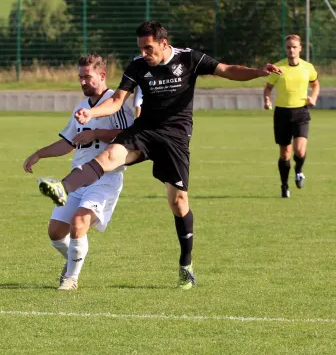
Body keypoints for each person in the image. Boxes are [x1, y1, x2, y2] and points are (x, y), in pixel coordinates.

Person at [37, 21, 282, 290]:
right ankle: (63, 187)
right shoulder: (138, 65)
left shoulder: (190, 59)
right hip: (144, 132)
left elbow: (227, 70)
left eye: (148, 48)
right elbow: (117, 100)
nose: (144, 53)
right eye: (141, 48)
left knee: (178, 203)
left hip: (174, 138)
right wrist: (91, 113)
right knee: (109, 157)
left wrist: (258, 72)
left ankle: (185, 265)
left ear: (164, 43)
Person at [23, 54, 134, 291]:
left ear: (102, 75)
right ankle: (74, 260)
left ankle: (70, 279)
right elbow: (68, 143)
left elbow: (130, 137)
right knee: (55, 232)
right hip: (79, 177)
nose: (83, 82)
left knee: (79, 221)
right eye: (80, 77)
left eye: (87, 77)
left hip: (106, 178)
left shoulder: (116, 103)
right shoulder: (81, 107)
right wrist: (39, 154)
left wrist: (95, 134)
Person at [263, 34, 320, 198]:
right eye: (288, 47)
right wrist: (267, 100)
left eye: (294, 47)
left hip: (301, 112)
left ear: (300, 48)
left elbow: (315, 84)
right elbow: (268, 88)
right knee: (284, 154)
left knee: (300, 151)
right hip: (282, 113)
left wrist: (313, 98)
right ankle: (284, 186)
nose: (291, 50)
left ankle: (299, 171)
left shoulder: (308, 67)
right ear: (285, 49)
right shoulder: (278, 68)